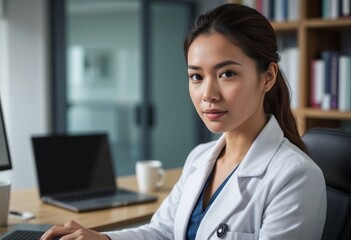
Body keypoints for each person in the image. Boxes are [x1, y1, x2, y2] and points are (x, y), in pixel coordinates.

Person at [41, 3, 326, 240]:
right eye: (196, 77)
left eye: (227, 74)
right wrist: (104, 238)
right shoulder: (199, 158)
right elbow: (165, 231)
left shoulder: (296, 176)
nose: (208, 95)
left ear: (268, 77)